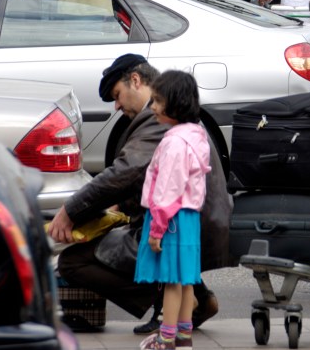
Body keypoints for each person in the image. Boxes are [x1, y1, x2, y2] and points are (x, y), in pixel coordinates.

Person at [47, 54, 229, 332]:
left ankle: (176, 306)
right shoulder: (178, 119)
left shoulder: (161, 120)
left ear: (135, 80)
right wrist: (119, 206)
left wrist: (70, 211)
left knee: (72, 261)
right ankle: (191, 299)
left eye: (117, 95)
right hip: (196, 223)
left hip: (175, 226)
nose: (117, 106)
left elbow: (127, 172)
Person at [134, 70, 211, 350]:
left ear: (174, 103)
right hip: (188, 217)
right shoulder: (196, 135)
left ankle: (166, 339)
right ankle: (183, 336)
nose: (152, 107)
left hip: (171, 219)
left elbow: (167, 189)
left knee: (171, 281)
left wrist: (156, 229)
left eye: (157, 101)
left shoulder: (174, 142)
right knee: (186, 277)